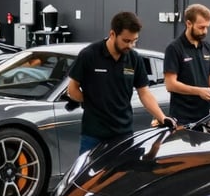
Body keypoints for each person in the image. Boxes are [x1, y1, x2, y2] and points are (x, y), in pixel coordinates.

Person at [66, 11, 176, 155]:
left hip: (123, 134)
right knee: (87, 177)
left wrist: (162, 117)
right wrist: (92, 102)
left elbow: (144, 93)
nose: (130, 45)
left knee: (120, 176)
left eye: (134, 40)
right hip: (93, 134)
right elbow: (72, 89)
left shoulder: (134, 59)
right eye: (126, 41)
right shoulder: (89, 55)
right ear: (112, 34)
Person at [163, 3, 210, 126]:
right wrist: (199, 91)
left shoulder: (206, 46)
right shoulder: (174, 48)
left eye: (207, 27)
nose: (205, 31)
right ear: (189, 23)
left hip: (206, 116)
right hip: (183, 117)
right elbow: (170, 85)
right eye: (201, 27)